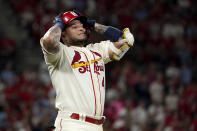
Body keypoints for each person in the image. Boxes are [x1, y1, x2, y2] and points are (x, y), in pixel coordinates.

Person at [40, 10, 134, 131]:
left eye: (82, 26)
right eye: (74, 27)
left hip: (97, 125)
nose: (81, 29)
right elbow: (49, 40)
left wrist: (93, 24)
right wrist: (59, 24)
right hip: (72, 123)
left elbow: (125, 39)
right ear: (63, 34)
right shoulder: (60, 54)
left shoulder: (98, 50)